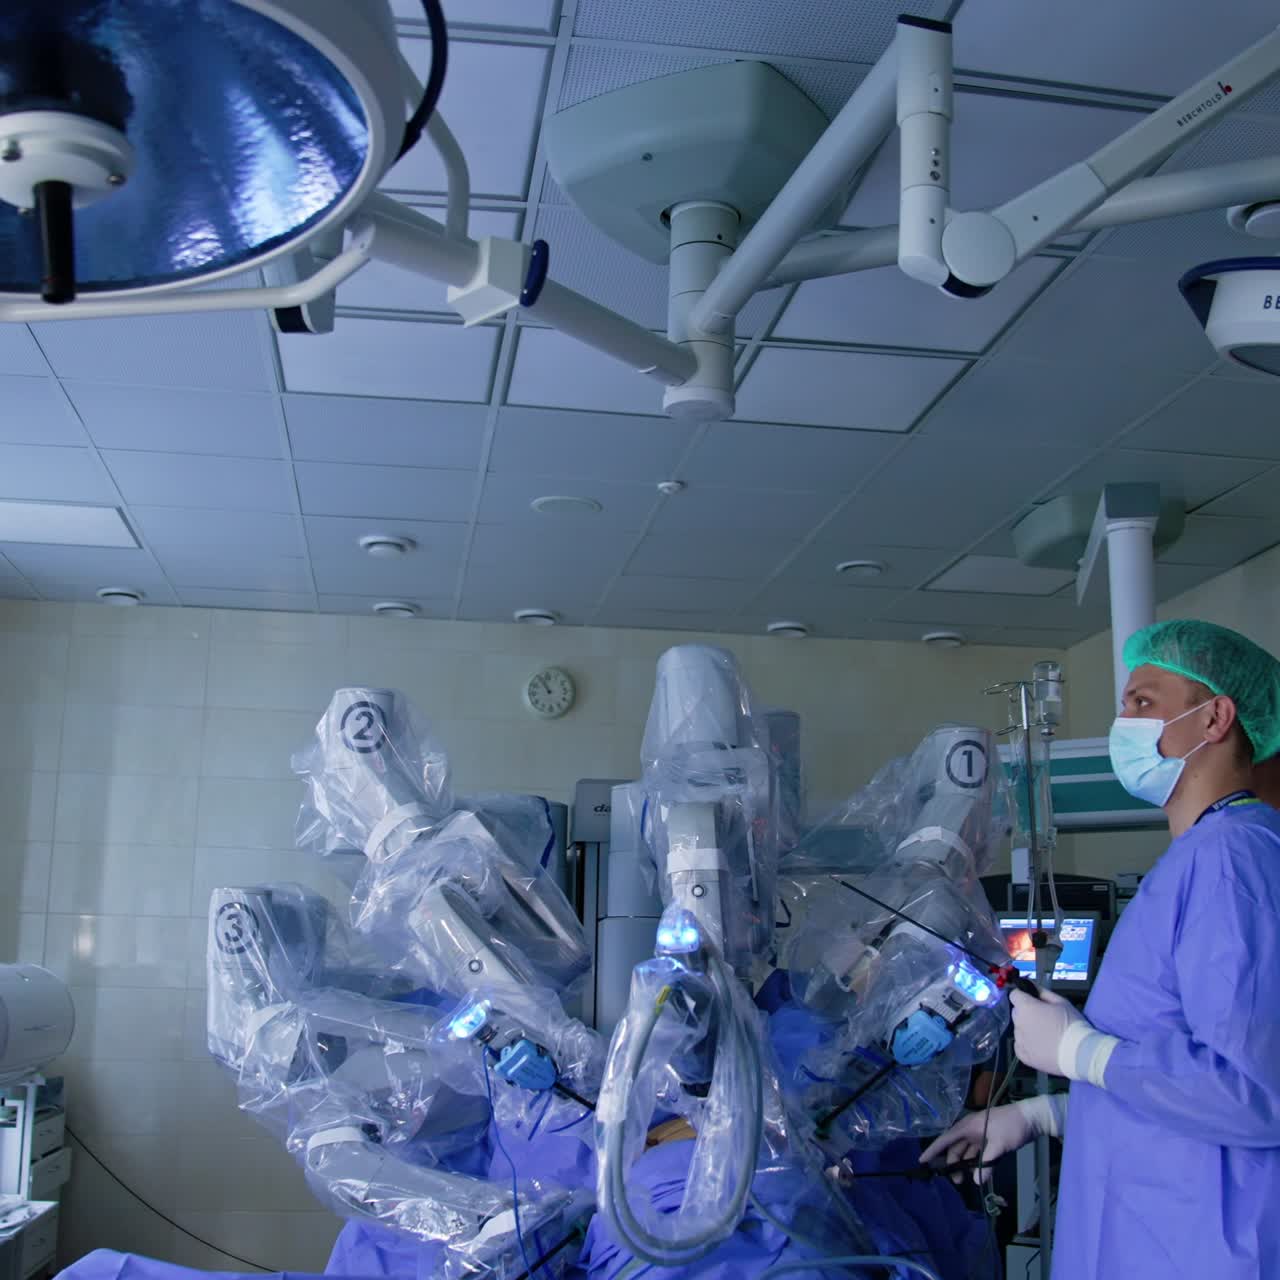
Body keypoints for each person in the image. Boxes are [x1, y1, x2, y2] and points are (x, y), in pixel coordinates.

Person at [921, 619, 1280, 1279]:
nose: (1126, 721)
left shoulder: (1232, 859)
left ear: (1216, 718)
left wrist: (1078, 1053)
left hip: (1203, 1245)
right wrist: (1043, 1113)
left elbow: (1252, 1092)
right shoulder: (1193, 860)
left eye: (1144, 702)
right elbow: (1174, 1077)